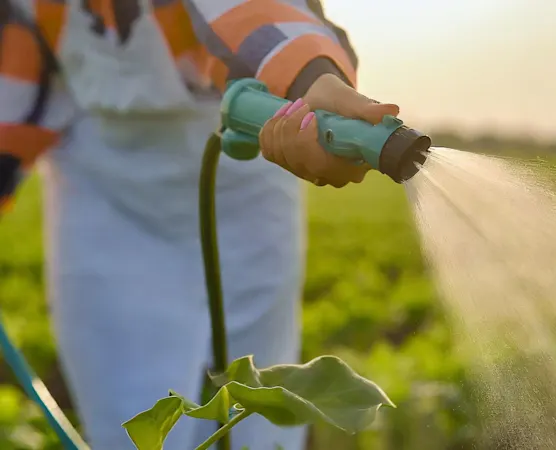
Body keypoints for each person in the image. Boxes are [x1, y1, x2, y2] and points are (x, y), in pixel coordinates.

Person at [0, 1, 399, 449]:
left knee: (261, 401)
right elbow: (16, 57)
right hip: (106, 182)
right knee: (131, 418)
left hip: (243, 161)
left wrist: (311, 81)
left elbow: (252, 11)